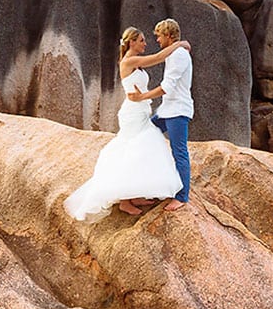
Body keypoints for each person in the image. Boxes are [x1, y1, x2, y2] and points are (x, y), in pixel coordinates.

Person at [64, 27, 189, 220]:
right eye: (141, 40)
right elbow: (157, 58)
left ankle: (133, 194)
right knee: (130, 150)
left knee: (141, 150)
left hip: (140, 111)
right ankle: (124, 200)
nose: (145, 43)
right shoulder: (129, 61)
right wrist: (180, 44)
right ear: (131, 43)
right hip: (133, 113)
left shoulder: (135, 62)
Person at [129, 18, 192, 211]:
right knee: (144, 138)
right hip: (166, 110)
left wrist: (142, 97)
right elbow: (158, 56)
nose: (157, 40)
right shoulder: (174, 52)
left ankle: (182, 197)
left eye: (159, 36)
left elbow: (167, 86)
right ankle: (145, 188)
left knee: (179, 152)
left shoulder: (179, 55)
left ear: (169, 36)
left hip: (177, 112)